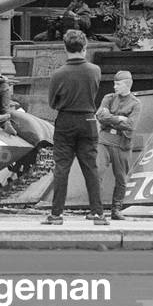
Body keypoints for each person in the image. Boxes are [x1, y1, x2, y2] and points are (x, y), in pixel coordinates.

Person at [42, 30, 107, 225]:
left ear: (65, 49)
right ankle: (98, 213)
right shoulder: (95, 70)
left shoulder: (59, 74)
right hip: (88, 119)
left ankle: (56, 214)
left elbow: (53, 102)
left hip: (65, 120)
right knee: (91, 167)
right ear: (85, 48)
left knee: (62, 168)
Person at [95, 70, 142, 220]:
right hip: (104, 139)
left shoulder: (135, 103)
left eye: (118, 84)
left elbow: (131, 125)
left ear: (128, 84)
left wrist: (110, 118)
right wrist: (119, 118)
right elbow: (100, 116)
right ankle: (96, 210)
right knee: (96, 172)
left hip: (122, 143)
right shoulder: (108, 98)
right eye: (114, 83)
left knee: (121, 178)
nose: (114, 86)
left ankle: (116, 210)